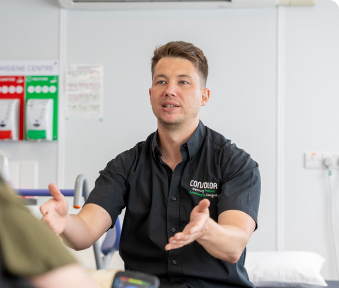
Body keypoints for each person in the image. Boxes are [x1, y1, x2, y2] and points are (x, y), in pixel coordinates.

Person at [41, 41, 261, 288]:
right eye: (161, 81)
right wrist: (64, 223)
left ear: (204, 96)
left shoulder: (235, 164)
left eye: (183, 82)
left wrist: (207, 229)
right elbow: (85, 230)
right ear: (151, 94)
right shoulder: (125, 166)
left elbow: (234, 246)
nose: (170, 90)